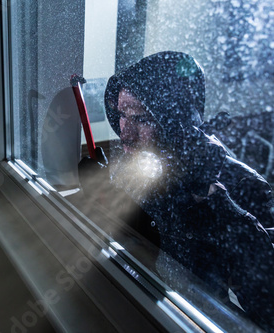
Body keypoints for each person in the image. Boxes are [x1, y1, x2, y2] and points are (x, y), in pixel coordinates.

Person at [78, 51, 274, 330]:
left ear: (178, 123)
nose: (126, 133)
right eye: (122, 115)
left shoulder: (242, 186)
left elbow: (268, 307)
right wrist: (99, 195)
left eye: (142, 119)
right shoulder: (139, 167)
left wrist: (213, 202)